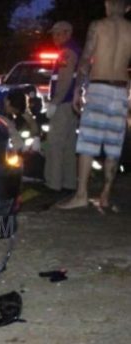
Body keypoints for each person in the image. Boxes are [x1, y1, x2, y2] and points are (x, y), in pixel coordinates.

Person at [58, 0, 131, 211]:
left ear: (107, 4)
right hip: (120, 91)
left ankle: (82, 195)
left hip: (99, 88)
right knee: (113, 147)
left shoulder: (98, 26)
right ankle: (105, 195)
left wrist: (77, 90)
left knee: (88, 145)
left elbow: (85, 60)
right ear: (128, 8)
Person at [44, 21, 81, 192]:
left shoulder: (66, 53)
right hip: (71, 104)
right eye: (53, 34)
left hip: (64, 104)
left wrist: (54, 103)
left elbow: (64, 81)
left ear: (67, 33)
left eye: (58, 33)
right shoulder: (73, 50)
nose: (54, 37)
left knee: (55, 144)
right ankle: (69, 183)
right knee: (68, 145)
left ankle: (53, 183)